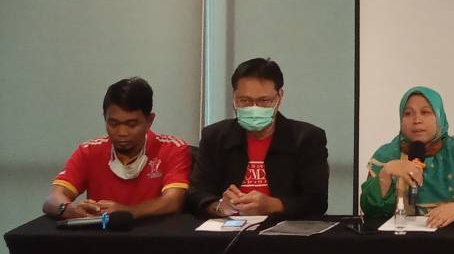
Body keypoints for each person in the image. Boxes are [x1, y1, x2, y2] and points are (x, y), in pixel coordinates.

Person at [187, 58, 328, 219]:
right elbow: (195, 193)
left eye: (264, 101)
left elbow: (317, 202)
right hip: (228, 228)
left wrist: (273, 205)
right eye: (245, 100)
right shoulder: (215, 136)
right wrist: (218, 206)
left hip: (283, 229)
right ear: (234, 98)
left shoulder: (307, 138)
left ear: (279, 97)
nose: (254, 108)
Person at [43, 77, 190, 220]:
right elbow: (52, 199)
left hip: (155, 233)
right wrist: (69, 209)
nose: (122, 133)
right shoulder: (89, 151)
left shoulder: (172, 148)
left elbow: (173, 201)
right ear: (105, 118)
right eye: (113, 124)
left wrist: (128, 212)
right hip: (101, 233)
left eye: (131, 124)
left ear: (149, 121)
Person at [360, 86, 454, 227]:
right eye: (408, 113)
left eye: (425, 112)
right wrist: (386, 173)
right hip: (398, 237)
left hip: (450, 235)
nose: (417, 120)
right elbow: (369, 211)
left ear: (439, 116)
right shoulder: (386, 155)